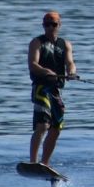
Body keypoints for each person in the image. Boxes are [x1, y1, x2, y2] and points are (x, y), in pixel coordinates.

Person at [27, 11, 78, 166]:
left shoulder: (65, 44)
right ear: (43, 25)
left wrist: (71, 72)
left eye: (53, 24)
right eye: (47, 24)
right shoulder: (37, 42)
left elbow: (70, 62)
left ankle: (45, 163)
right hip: (41, 88)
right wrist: (46, 71)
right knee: (43, 125)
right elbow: (33, 65)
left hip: (56, 90)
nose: (50, 27)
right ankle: (33, 162)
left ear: (59, 25)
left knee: (56, 128)